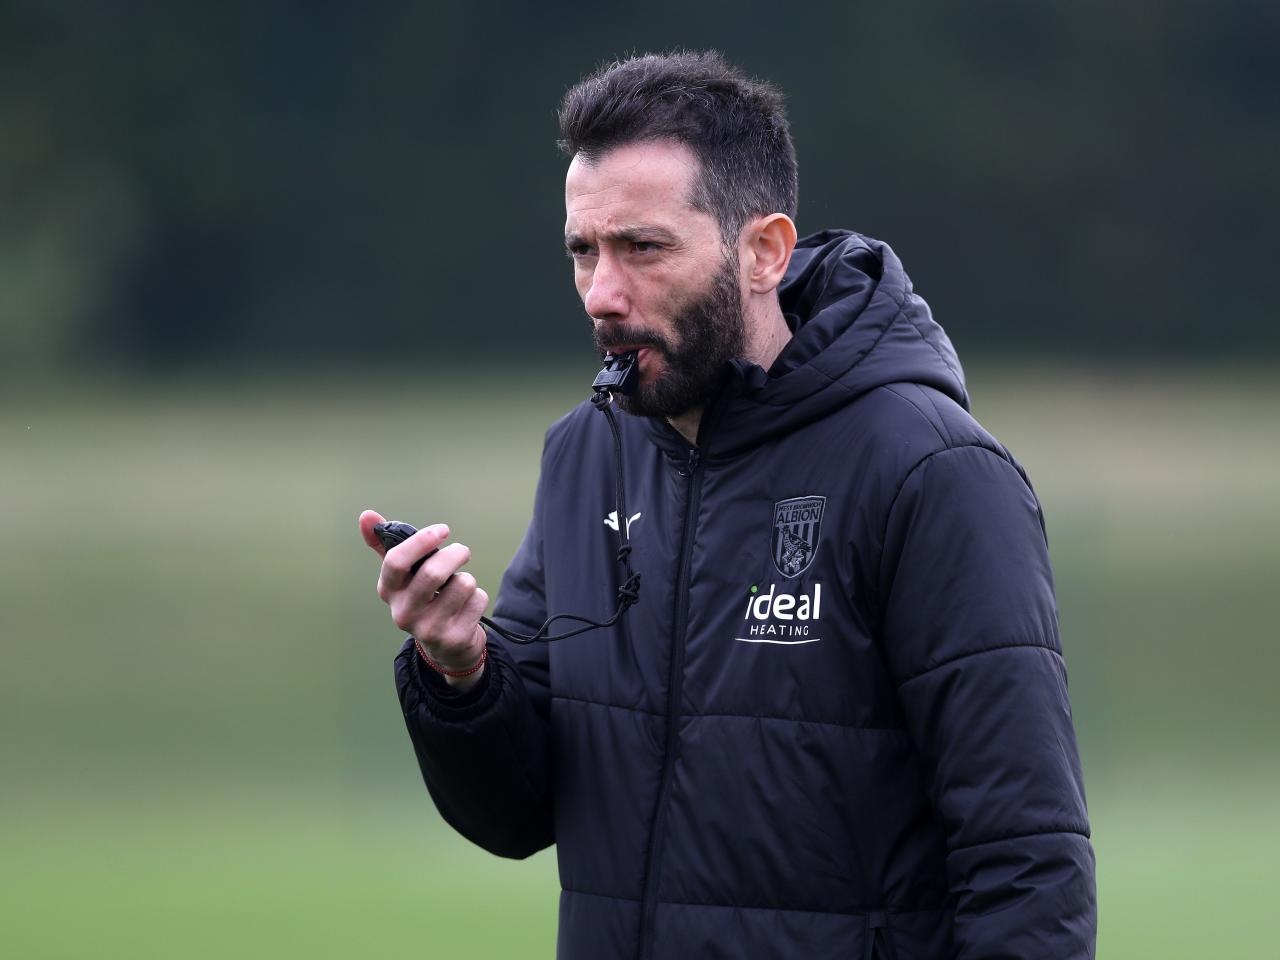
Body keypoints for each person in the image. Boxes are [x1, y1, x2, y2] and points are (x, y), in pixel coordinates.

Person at [359, 50, 1096, 959]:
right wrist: (461, 673)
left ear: (763, 252)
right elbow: (515, 814)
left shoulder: (930, 471)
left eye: (643, 248)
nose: (602, 293)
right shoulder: (586, 455)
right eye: (583, 251)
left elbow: (1026, 864)